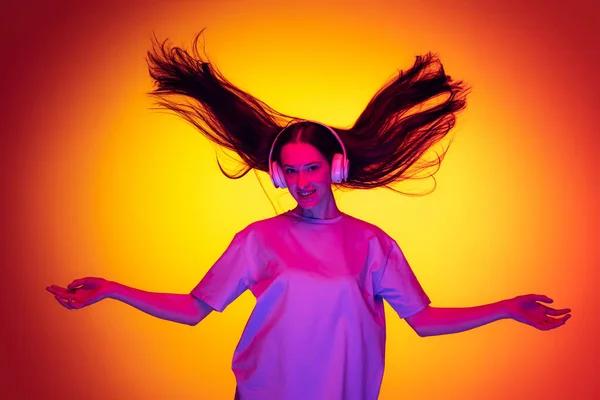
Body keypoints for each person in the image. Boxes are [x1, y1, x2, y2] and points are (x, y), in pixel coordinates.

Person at [46, 30, 571, 400]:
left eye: (312, 168)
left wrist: (506, 309)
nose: (301, 182)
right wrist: (112, 290)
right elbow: (194, 309)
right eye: (291, 171)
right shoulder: (259, 240)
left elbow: (425, 323)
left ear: (335, 167)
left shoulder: (371, 244)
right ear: (276, 173)